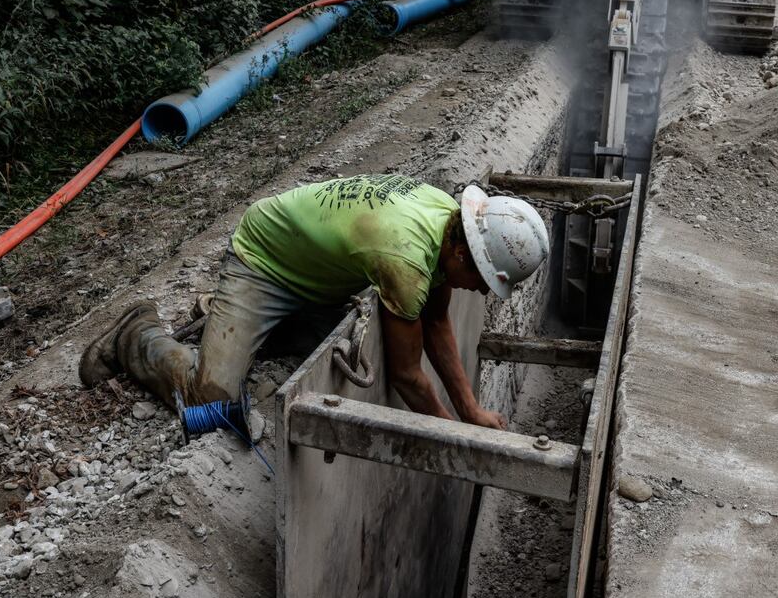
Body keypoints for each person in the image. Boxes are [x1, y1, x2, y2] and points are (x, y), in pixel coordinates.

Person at [79, 174, 549, 428]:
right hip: (263, 260)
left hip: (314, 272)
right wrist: (453, 435)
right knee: (216, 399)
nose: (483, 290)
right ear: (462, 250)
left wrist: (470, 412)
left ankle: (229, 320)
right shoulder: (404, 257)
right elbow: (406, 376)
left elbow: (437, 322)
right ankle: (137, 334)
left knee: (343, 345)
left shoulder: (446, 222)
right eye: (484, 279)